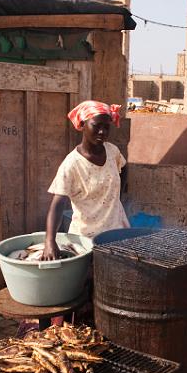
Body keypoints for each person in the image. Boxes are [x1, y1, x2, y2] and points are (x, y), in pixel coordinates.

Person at [41, 100, 130, 260]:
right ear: (82, 125)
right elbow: (57, 204)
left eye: (106, 127)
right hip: (86, 240)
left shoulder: (112, 151)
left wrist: (118, 196)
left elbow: (123, 168)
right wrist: (49, 241)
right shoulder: (72, 164)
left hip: (116, 232)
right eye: (96, 126)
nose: (102, 132)